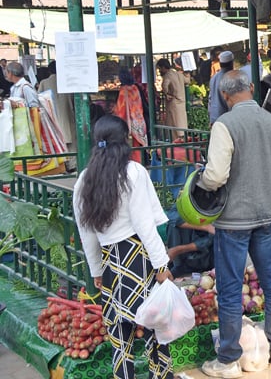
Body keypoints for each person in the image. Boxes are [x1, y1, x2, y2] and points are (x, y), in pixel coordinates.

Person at [198, 70, 271, 377]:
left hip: (233, 220)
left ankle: (228, 360)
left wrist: (202, 183)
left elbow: (215, 176)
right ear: (251, 87)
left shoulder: (224, 125)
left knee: (229, 288)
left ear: (224, 96)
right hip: (266, 215)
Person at [73, 115, 173, 379]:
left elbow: (86, 232)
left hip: (109, 262)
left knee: (118, 332)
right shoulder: (133, 172)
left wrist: (96, 270)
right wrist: (161, 265)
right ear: (125, 140)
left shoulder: (84, 180)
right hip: (137, 257)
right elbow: (145, 225)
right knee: (153, 326)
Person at [37, 61, 77, 161]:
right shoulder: (69, 81)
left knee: (56, 146)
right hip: (68, 118)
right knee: (71, 147)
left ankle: (61, 163)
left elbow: (39, 102)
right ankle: (72, 164)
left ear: (49, 71)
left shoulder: (44, 83)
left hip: (51, 121)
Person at [165, 205, 214, 277]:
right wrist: (204, 227)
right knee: (173, 225)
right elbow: (171, 216)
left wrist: (179, 249)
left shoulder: (216, 205)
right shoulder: (188, 200)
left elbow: (212, 236)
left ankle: (186, 266)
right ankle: (177, 265)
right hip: (189, 243)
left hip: (206, 255)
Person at [156, 59, 188, 141]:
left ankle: (177, 142)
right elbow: (187, 81)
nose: (159, 71)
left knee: (174, 125)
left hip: (173, 103)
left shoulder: (167, 76)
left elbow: (165, 86)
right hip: (182, 103)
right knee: (182, 124)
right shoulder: (178, 74)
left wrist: (166, 93)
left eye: (159, 68)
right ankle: (183, 139)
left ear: (163, 67)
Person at [207, 50, 234, 125]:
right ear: (231, 63)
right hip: (227, 120)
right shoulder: (232, 78)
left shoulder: (214, 78)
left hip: (215, 118)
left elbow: (210, 99)